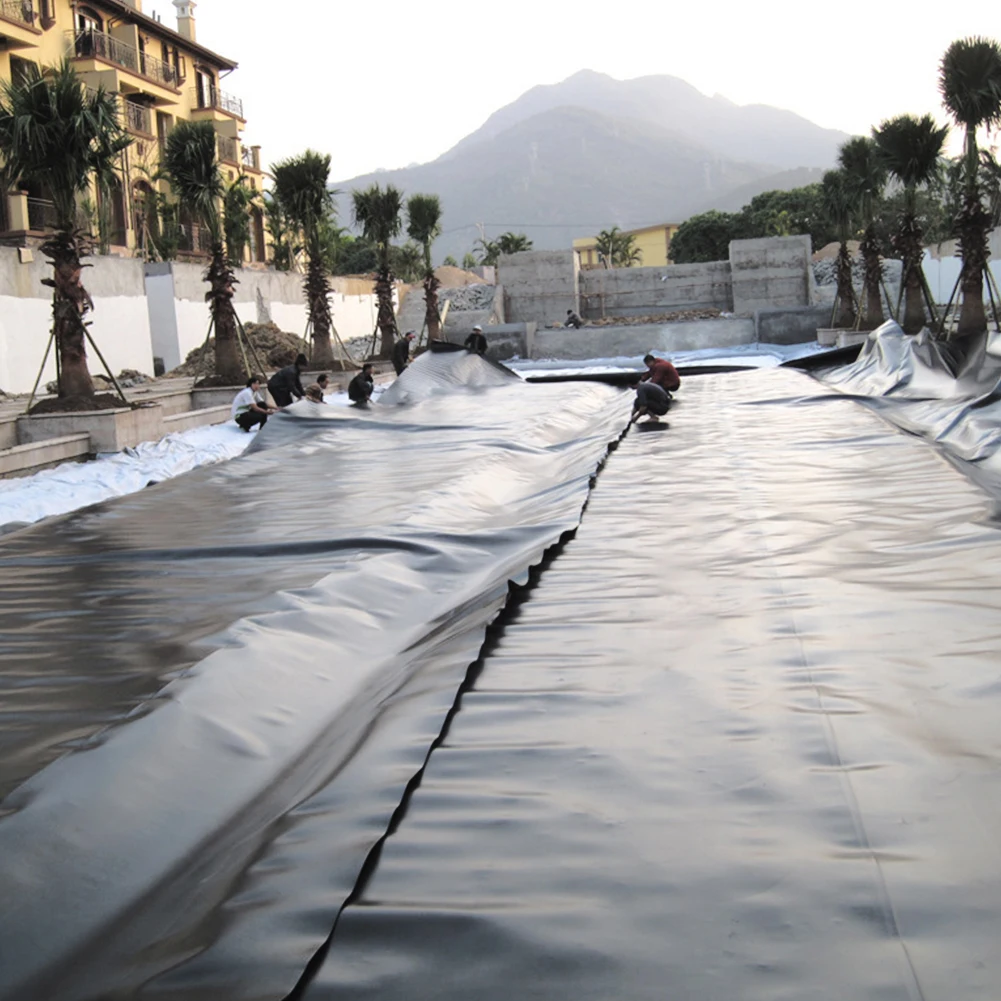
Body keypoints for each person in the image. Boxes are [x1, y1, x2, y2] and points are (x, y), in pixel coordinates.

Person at [631, 353, 681, 424]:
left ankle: (664, 399)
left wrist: (646, 388)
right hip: (667, 382)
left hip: (673, 384)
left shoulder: (660, 366)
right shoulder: (656, 363)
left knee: (652, 390)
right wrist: (641, 379)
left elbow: (655, 380)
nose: (647, 367)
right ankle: (664, 397)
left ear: (651, 361)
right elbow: (649, 373)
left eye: (648, 364)